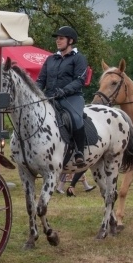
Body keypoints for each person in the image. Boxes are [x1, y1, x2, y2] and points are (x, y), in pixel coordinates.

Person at [36, 26, 89, 167]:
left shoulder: (79, 58)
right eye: (57, 39)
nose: (57, 41)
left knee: (76, 118)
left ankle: (79, 152)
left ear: (70, 41)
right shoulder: (50, 59)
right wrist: (35, 93)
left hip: (71, 97)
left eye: (61, 38)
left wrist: (64, 91)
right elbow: (41, 80)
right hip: (50, 97)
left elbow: (80, 80)